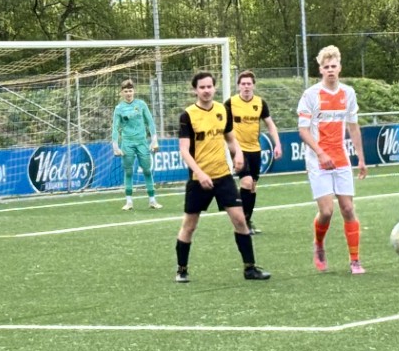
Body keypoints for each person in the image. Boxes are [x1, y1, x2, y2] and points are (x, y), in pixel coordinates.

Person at [175, 71, 271, 283]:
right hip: (198, 179)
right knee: (190, 225)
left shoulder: (221, 109)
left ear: (214, 88)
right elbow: (184, 150)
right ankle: (182, 269)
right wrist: (199, 174)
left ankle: (250, 268)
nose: (206, 90)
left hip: (223, 175)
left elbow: (230, 137)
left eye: (209, 86)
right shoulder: (187, 115)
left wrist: (237, 152)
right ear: (195, 90)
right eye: (202, 87)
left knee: (239, 219)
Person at [296, 45, 369, 274]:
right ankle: (318, 244)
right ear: (320, 70)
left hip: (340, 158)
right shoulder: (311, 95)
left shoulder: (348, 93)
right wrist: (320, 153)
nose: (330, 70)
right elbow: (303, 131)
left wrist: (361, 158)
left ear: (340, 68)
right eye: (326, 67)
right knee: (327, 211)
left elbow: (353, 127)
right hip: (318, 159)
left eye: (333, 66)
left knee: (348, 208)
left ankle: (355, 260)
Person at [226, 69, 283, 234]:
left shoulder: (260, 103)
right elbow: (224, 127)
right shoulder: (230, 103)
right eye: (243, 84)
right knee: (246, 182)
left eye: (249, 84)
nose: (246, 87)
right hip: (238, 150)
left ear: (253, 86)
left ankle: (247, 221)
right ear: (238, 86)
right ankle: (242, 222)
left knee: (252, 187)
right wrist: (234, 149)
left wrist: (277, 144)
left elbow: (270, 125)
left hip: (255, 149)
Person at [110, 78, 160, 211]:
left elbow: (150, 122)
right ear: (121, 92)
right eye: (126, 91)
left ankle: (152, 200)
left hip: (142, 143)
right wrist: (115, 146)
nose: (128, 93)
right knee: (128, 171)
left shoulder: (141, 104)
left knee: (147, 171)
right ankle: (129, 202)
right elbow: (115, 128)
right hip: (127, 144)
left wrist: (154, 140)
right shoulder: (119, 108)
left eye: (130, 90)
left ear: (134, 91)